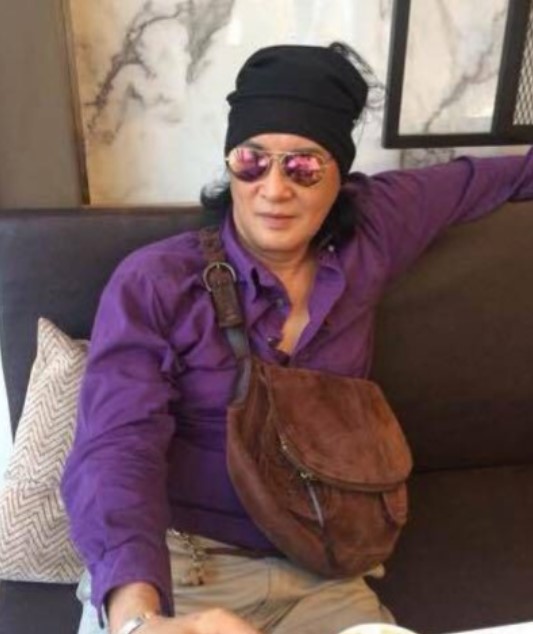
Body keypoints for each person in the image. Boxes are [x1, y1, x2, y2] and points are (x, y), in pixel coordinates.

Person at [61, 42, 533, 634]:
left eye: (304, 166)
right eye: (252, 161)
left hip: (322, 570)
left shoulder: (375, 229)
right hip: (181, 567)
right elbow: (115, 443)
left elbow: (497, 176)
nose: (275, 189)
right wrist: (139, 618)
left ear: (339, 174)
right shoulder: (157, 281)